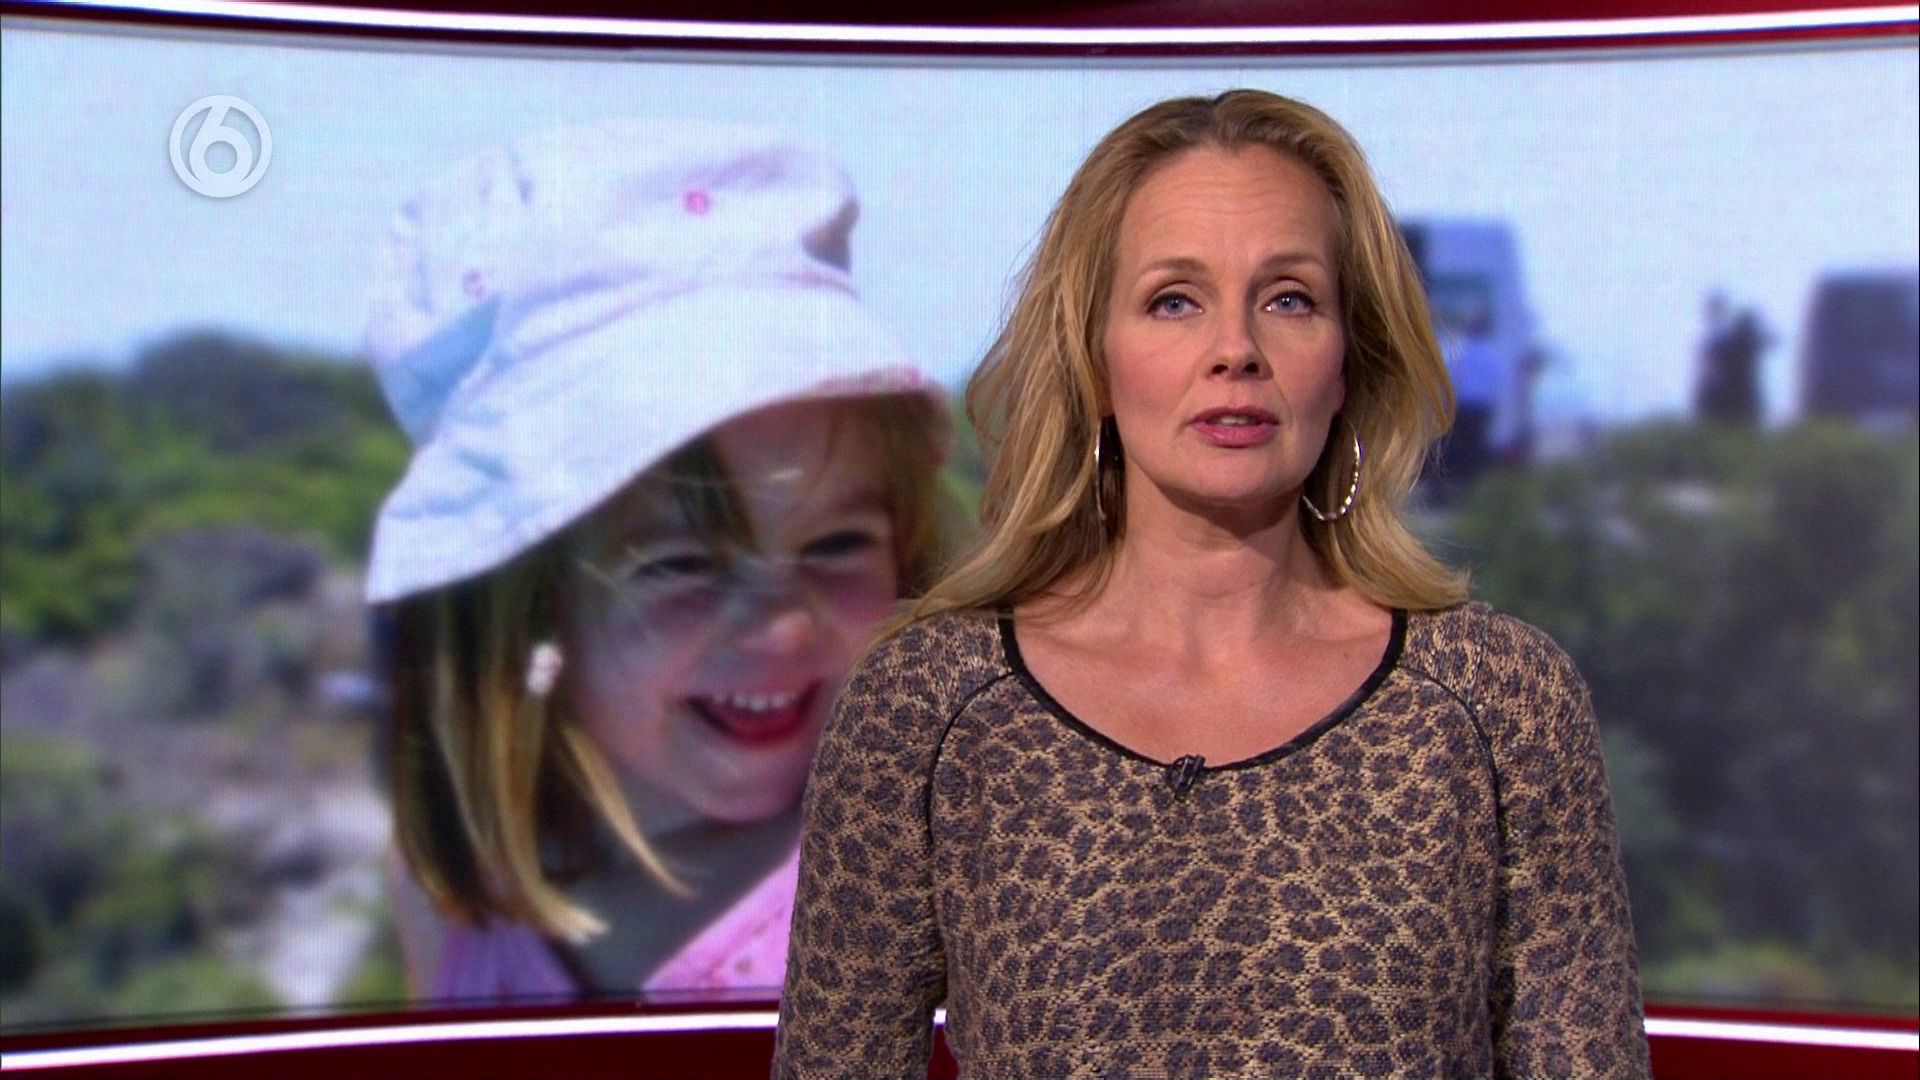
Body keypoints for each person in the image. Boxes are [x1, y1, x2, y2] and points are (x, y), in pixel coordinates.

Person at [775, 91, 1648, 1077]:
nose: (1236, 351)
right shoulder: (927, 709)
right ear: (1095, 361)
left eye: (1289, 299)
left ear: (1348, 365)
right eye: (1175, 301)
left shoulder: (1499, 704)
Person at [363, 122, 954, 1001]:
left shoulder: (927, 875)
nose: (785, 627)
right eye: (681, 565)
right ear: (525, 610)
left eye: (837, 545)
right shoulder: (455, 900)